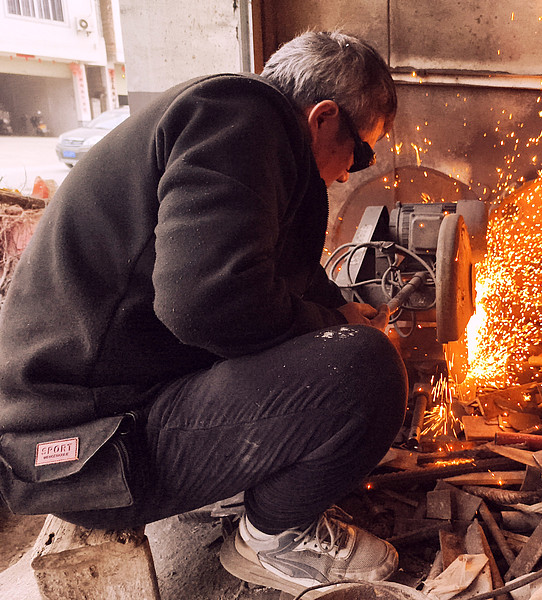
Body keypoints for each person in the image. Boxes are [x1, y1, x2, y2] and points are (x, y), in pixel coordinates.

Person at [0, 31, 408, 595]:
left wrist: (337, 306)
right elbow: (206, 304)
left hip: (98, 414)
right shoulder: (238, 118)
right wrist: (337, 329)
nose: (346, 175)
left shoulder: (235, 124)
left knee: (341, 348)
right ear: (323, 117)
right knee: (365, 368)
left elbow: (260, 263)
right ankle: (274, 539)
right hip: (83, 449)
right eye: (359, 154)